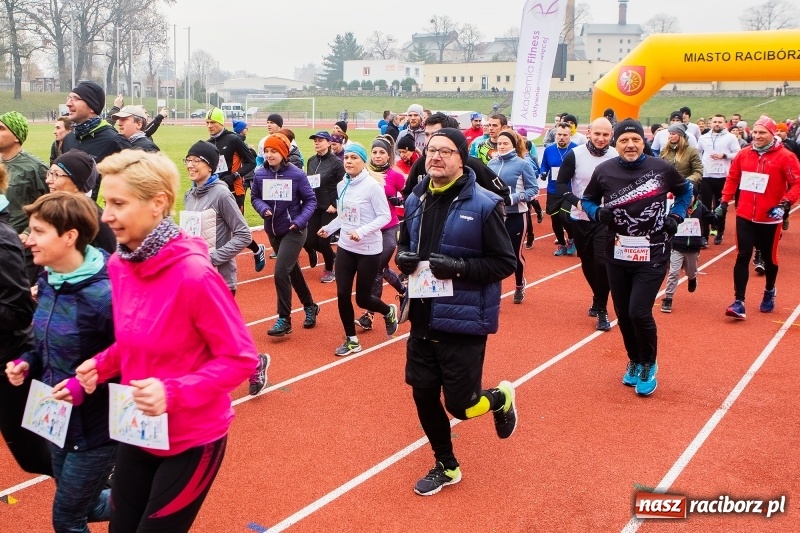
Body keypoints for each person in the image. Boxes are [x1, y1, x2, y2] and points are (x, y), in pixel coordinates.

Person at [75, 149, 259, 532]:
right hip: (137, 428)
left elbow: (241, 358)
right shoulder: (120, 264)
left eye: (118, 203)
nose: (106, 215)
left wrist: (172, 393)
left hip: (192, 439)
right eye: (106, 202)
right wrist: (100, 365)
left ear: (158, 203)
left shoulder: (194, 275)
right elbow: (133, 338)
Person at [395, 128, 517, 496]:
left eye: (445, 151)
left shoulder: (483, 204)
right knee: (423, 395)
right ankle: (446, 465)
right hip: (421, 315)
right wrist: (402, 259)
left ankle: (500, 398)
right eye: (431, 150)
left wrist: (459, 267)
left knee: (462, 407)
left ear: (462, 158)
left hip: (462, 321)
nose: (435, 157)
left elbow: (504, 262)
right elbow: (405, 245)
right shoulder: (417, 200)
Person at [6, 191, 116, 533]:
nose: (28, 239)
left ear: (69, 237)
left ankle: (147, 497)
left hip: (98, 428)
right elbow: (49, 343)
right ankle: (142, 496)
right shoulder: (50, 280)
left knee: (67, 519)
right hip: (56, 419)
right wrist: (27, 361)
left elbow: (137, 358)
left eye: (39, 231)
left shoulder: (105, 295)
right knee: (89, 505)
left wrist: (89, 381)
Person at [581, 118, 692, 396]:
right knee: (622, 313)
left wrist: (677, 215)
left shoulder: (662, 168)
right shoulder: (604, 170)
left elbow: (686, 191)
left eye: (635, 140)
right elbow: (588, 199)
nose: (630, 145)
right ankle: (634, 359)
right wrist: (596, 212)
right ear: (615, 144)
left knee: (638, 312)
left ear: (644, 142)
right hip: (617, 254)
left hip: (652, 253)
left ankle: (649, 364)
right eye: (624, 140)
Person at [318, 143, 399, 356]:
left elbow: (385, 216)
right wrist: (329, 228)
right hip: (345, 247)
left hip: (368, 250)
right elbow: (344, 216)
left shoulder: (372, 186)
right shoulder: (342, 185)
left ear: (363, 162)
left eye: (354, 158)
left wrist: (362, 231)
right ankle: (352, 340)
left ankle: (387, 310)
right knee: (342, 293)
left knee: (362, 299)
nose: (349, 161)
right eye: (347, 158)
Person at [716, 117, 800, 319]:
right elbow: (733, 178)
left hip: (770, 218)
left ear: (772, 134)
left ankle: (770, 290)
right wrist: (724, 202)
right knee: (742, 256)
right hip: (745, 214)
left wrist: (785, 203)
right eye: (755, 132)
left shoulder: (786, 156)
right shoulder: (744, 154)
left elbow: (797, 183)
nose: (757, 136)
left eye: (762, 132)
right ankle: (739, 301)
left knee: (770, 259)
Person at [0, 162, 53, 477]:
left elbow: (19, 312)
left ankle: (110, 496)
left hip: (10, 362)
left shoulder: (3, 240)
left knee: (35, 456)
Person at [251, 133, 319, 336]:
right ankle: (310, 306)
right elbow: (254, 197)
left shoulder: (297, 174)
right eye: (266, 151)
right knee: (292, 270)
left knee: (281, 271)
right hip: (273, 230)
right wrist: (263, 208)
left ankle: (284, 319)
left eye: (274, 151)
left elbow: (311, 201)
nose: (269, 155)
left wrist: (299, 221)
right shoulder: (260, 173)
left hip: (294, 230)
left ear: (283, 153)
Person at [556, 117, 618, 331]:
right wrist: (577, 202)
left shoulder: (616, 156)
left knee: (603, 263)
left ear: (611, 135)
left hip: (606, 219)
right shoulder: (576, 154)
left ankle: (602, 308)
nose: (601, 139)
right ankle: (598, 296)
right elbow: (561, 183)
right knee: (588, 263)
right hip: (580, 217)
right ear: (589, 132)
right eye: (597, 134)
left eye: (606, 135)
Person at [355, 135, 406, 330]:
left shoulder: (395, 176)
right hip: (368, 230)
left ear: (389, 155)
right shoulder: (364, 173)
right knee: (381, 269)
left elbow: (411, 195)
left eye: (382, 152)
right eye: (374, 152)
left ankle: (369, 314)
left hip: (389, 228)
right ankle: (402, 291)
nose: (377, 155)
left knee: (376, 268)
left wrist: (400, 201)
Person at [205, 108, 266, 270]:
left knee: (237, 229)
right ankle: (220, 265)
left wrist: (235, 175)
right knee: (217, 228)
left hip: (235, 190)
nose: (210, 126)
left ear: (221, 122)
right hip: (215, 190)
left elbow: (251, 162)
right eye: (207, 123)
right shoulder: (208, 144)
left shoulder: (233, 139)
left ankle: (257, 249)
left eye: (213, 123)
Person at [488, 131, 537, 303]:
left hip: (516, 215)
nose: (501, 146)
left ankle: (519, 285)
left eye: (505, 143)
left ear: (514, 145)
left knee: (514, 254)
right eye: (499, 143)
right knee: (493, 254)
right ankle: (493, 290)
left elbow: (533, 189)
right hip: (495, 216)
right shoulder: (491, 163)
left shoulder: (523, 164)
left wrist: (513, 198)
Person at [0, 111, 49, 285]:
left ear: (16, 136)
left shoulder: (35, 168)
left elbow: (49, 205)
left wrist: (29, 232)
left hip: (21, 251)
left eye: (1, 128)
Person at [61, 81, 129, 200]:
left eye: (76, 99)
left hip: (98, 216)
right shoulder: (68, 139)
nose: (68, 103)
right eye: (69, 98)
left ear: (92, 107)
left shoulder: (114, 141)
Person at [660, 183, 717, 313]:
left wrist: (719, 215)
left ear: (696, 197)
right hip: (677, 245)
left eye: (692, 196)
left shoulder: (700, 208)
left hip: (693, 247)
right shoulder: (675, 207)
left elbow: (711, 218)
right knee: (673, 272)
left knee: (691, 271)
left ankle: (692, 278)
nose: (689, 199)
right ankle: (668, 298)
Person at [48, 149, 116, 254]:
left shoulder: (95, 220)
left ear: (77, 184)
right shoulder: (54, 209)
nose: (48, 180)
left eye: (56, 175)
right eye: (50, 173)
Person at [303, 131, 344, 283]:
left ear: (328, 143)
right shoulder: (311, 161)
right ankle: (331, 256)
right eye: (315, 141)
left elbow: (344, 185)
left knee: (323, 241)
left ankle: (329, 268)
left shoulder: (336, 163)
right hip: (314, 205)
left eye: (320, 140)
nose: (316, 143)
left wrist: (335, 204)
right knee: (309, 240)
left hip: (329, 207)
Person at [697, 114, 740, 246]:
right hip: (706, 176)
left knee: (720, 206)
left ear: (725, 123)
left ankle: (719, 231)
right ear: (710, 123)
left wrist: (725, 155)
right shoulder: (703, 138)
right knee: (704, 206)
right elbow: (698, 153)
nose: (717, 124)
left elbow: (738, 154)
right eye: (714, 122)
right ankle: (704, 236)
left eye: (720, 122)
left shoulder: (731, 138)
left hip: (722, 176)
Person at [540, 122, 577, 256]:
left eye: (565, 135)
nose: (561, 137)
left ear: (570, 135)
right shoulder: (549, 150)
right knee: (555, 220)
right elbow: (544, 165)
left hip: (570, 189)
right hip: (553, 190)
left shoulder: (576, 149)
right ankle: (561, 244)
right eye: (559, 134)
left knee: (565, 216)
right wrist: (543, 172)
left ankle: (572, 239)